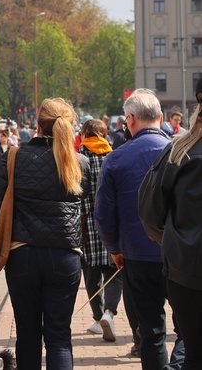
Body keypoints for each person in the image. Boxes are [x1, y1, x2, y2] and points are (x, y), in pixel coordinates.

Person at [0, 97, 89, 370]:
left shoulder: (13, 158)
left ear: (37, 125)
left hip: (22, 255)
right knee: (59, 337)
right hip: (64, 256)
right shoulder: (78, 163)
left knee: (27, 333)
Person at [94, 89, 174, 370]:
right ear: (161, 118)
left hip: (137, 255)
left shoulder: (116, 158)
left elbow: (103, 215)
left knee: (151, 331)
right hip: (181, 252)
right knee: (190, 325)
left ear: (129, 120)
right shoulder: (181, 153)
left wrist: (115, 249)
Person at [140, 77, 202, 370]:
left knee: (193, 351)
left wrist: (171, 242)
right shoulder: (177, 151)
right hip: (184, 267)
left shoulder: (178, 151)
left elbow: (150, 213)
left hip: (185, 269)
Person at [77, 118, 122, 342]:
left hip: (86, 225)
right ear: (104, 134)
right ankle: (109, 313)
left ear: (84, 134)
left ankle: (97, 318)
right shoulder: (113, 157)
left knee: (91, 275)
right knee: (114, 273)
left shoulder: (79, 158)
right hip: (111, 224)